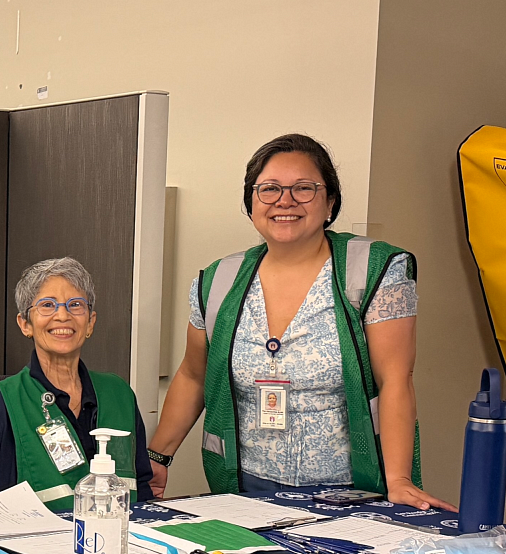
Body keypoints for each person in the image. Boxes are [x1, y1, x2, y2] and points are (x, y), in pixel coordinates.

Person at [146, 134, 454, 510]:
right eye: (269, 189)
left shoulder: (374, 271)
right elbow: (193, 375)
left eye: (304, 189)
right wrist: (158, 458)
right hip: (245, 489)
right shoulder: (217, 282)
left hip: (351, 491)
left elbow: (396, 379)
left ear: (330, 203)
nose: (284, 201)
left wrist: (399, 481)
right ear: (251, 204)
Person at [0, 257, 153, 509]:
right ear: (25, 324)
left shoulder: (119, 394)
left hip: (116, 539)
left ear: (90, 322)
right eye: (47, 305)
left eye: (75, 305)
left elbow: (141, 489)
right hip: (28, 544)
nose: (62, 315)